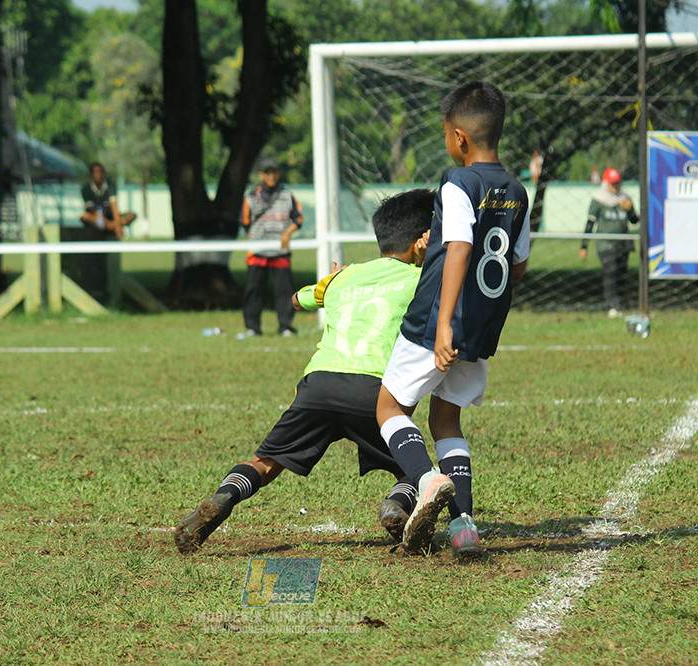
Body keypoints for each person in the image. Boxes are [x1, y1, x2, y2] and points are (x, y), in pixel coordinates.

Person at [175, 189, 435, 554]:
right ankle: (396, 506)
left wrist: (336, 281)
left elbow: (297, 299)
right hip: (376, 392)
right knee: (410, 468)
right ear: (420, 240)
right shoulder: (423, 279)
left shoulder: (347, 276)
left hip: (319, 383)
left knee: (265, 462)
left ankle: (223, 498)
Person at [375, 81, 531, 556]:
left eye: (446, 131)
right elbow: (517, 265)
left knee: (388, 407)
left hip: (436, 321)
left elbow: (459, 247)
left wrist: (443, 323)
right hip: (482, 325)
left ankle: (426, 481)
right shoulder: (518, 191)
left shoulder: (458, 182)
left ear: (459, 137)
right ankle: (464, 526)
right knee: (447, 419)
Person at [240, 158, 303, 337]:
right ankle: (252, 327)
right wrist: (256, 239)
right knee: (254, 289)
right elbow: (245, 222)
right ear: (261, 175)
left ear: (279, 174)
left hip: (280, 251)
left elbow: (298, 219)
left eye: (274, 172)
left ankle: (285, 326)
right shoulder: (251, 196)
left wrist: (286, 233)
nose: (271, 176)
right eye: (267, 172)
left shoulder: (287, 195)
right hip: (257, 251)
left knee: (284, 289)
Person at [579, 167, 638, 318]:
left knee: (621, 273)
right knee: (610, 271)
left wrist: (630, 210)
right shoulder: (599, 199)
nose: (616, 186)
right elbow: (590, 224)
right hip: (606, 244)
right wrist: (584, 246)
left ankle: (618, 304)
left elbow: (634, 221)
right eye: (613, 183)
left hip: (623, 243)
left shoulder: (625, 198)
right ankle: (612, 305)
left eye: (618, 183)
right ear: (606, 183)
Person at [80, 162, 137, 240]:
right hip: (97, 218)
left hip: (110, 216)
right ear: (90, 175)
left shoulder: (110, 185)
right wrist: (111, 225)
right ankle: (111, 227)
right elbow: (92, 210)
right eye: (95, 172)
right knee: (85, 216)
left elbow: (114, 206)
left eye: (100, 172)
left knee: (132, 215)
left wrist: (116, 223)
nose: (98, 175)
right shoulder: (86, 189)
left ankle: (113, 225)